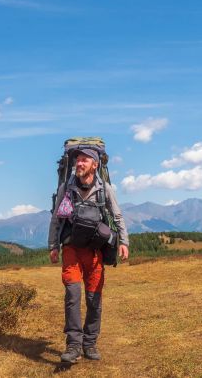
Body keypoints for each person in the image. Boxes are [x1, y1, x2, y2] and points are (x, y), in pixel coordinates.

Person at [48, 148, 129, 364]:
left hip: (95, 252)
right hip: (71, 250)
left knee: (94, 299)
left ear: (95, 164)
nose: (79, 163)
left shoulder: (105, 189)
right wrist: (53, 246)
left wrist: (124, 242)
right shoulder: (67, 188)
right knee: (73, 296)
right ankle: (73, 345)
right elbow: (57, 219)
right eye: (77, 160)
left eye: (84, 160)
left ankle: (90, 343)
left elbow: (117, 216)